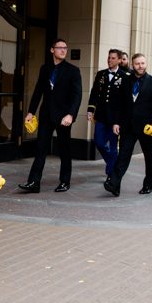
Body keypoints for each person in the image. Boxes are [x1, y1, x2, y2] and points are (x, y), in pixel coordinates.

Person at [19, 39, 82, 193]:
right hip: (46, 114)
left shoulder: (73, 70)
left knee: (64, 150)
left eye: (65, 48)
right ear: (52, 50)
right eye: (59, 48)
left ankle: (65, 182)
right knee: (40, 148)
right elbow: (38, 91)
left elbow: (77, 95)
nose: (63, 50)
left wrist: (70, 115)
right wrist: (30, 112)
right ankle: (34, 182)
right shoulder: (45, 68)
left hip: (63, 117)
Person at [105, 53, 152, 196]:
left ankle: (148, 185)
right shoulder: (125, 80)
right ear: (132, 65)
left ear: (146, 64)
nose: (140, 66)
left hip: (147, 127)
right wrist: (116, 122)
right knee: (123, 155)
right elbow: (119, 104)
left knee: (149, 157)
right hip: (128, 126)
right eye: (137, 63)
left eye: (143, 63)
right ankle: (114, 184)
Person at [87, 49, 127, 184]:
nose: (110, 60)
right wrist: (90, 110)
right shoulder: (101, 74)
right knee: (98, 142)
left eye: (113, 58)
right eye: (109, 58)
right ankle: (112, 162)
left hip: (115, 119)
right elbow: (94, 93)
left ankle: (111, 174)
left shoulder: (125, 76)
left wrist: (120, 120)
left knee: (114, 145)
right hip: (101, 116)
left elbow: (125, 100)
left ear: (120, 60)